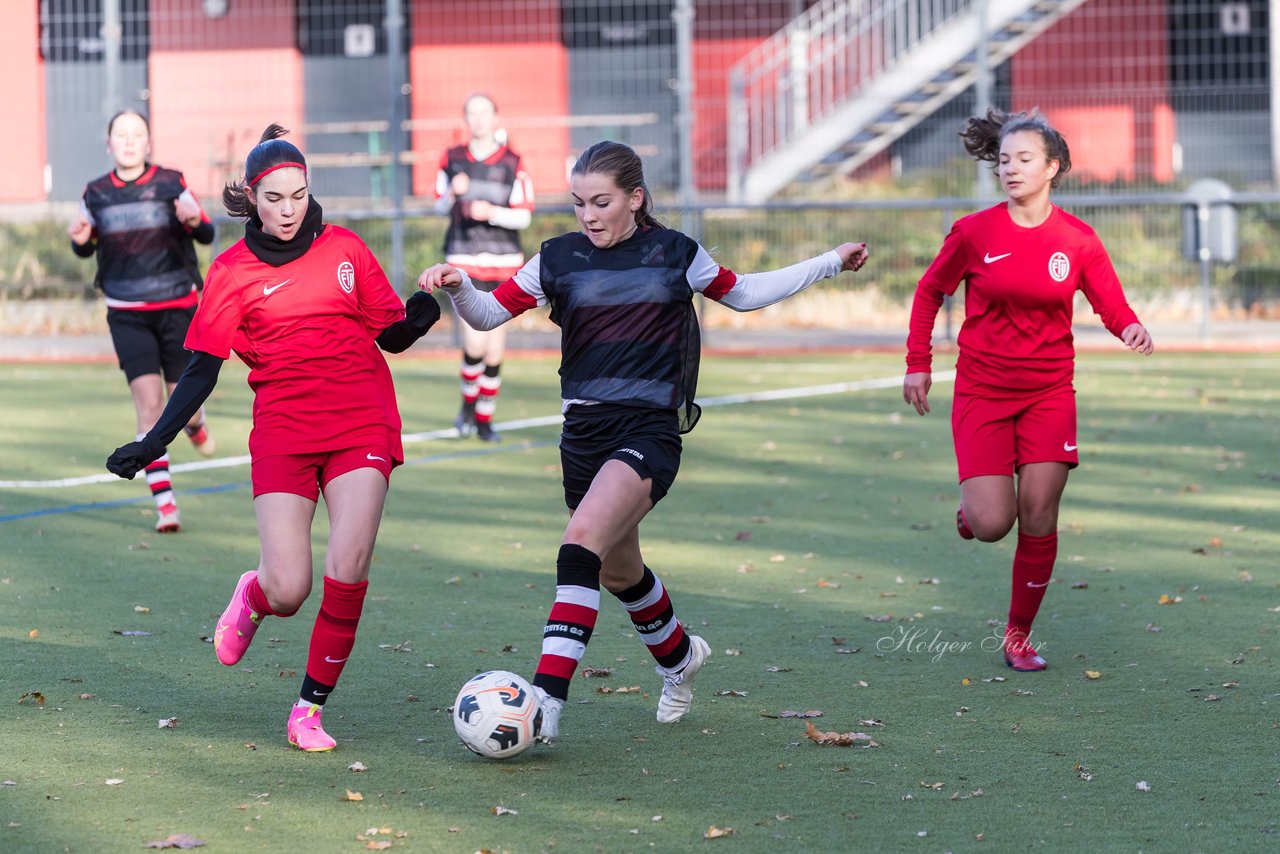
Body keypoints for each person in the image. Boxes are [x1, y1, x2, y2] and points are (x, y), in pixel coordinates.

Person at [419, 140, 868, 743]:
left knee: (578, 547)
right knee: (617, 569)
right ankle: (680, 658)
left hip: (648, 430)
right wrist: (458, 285)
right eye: (578, 203)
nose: (588, 215)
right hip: (582, 433)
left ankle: (545, 703)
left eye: (601, 202)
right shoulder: (556, 257)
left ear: (635, 198)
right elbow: (486, 315)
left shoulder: (675, 252)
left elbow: (747, 291)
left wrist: (831, 261)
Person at [105, 125, 440, 751]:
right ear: (251, 198)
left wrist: (422, 308)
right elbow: (202, 367)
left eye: (299, 195)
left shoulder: (344, 248)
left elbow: (389, 333)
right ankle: (254, 592)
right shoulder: (231, 271)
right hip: (284, 428)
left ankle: (307, 710)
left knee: (350, 563)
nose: (290, 210)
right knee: (290, 587)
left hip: (361, 418)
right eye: (275, 198)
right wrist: (155, 440)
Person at [902, 108, 1154, 672]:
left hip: (1048, 395)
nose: (1010, 169)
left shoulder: (1078, 240)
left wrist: (1129, 325)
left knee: (1039, 514)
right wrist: (919, 363)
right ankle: (972, 514)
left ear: (1053, 167)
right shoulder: (973, 232)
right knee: (993, 524)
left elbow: (1110, 304)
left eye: (1023, 159)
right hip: (982, 394)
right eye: (1004, 160)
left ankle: (1018, 636)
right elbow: (928, 293)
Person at [70, 109, 217, 533]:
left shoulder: (172, 181)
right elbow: (85, 245)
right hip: (127, 314)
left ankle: (196, 424)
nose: (130, 141)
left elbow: (205, 234)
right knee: (150, 407)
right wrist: (78, 240)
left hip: (178, 309)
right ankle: (166, 506)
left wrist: (196, 221)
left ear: (148, 142)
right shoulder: (95, 193)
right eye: (121, 134)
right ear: (109, 144)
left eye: (138, 134)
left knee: (185, 408)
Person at [434, 93, 535, 442]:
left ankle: (483, 419)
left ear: (495, 117)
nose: (478, 120)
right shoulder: (452, 159)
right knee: (475, 344)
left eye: (484, 113)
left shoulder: (512, 161)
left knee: (494, 349)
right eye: (472, 113)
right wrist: (451, 195)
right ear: (466, 119)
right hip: (464, 260)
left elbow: (524, 214)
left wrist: (492, 213)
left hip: (504, 264)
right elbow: (437, 206)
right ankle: (466, 406)